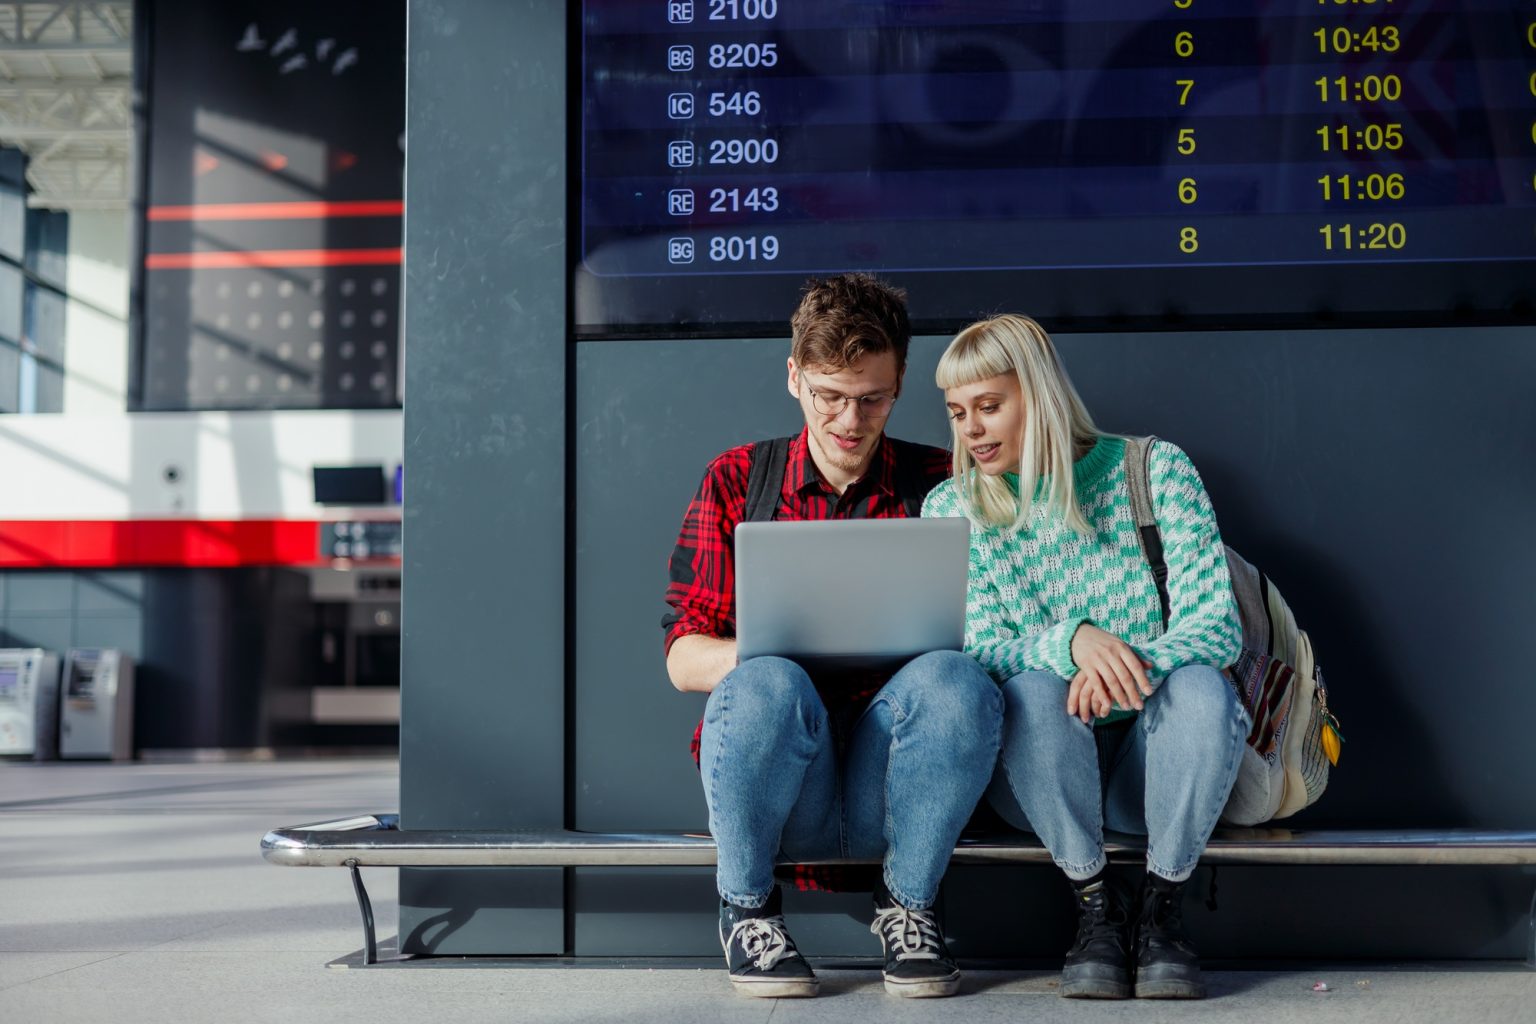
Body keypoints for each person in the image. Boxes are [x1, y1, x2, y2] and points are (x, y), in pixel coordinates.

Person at [662, 273, 1002, 999]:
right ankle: (747, 907)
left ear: (901, 381)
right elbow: (683, 656)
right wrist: (773, 654)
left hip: (901, 778)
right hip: (787, 782)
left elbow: (1002, 627)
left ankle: (909, 904)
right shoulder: (737, 480)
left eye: (873, 397)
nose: (851, 419)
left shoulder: (944, 483)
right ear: (794, 377)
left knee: (957, 679)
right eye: (830, 396)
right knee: (765, 681)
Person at [921, 313, 1246, 1000]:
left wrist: (1121, 665)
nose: (971, 430)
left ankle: (1162, 912)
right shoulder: (952, 506)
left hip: (1154, 768)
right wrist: (1069, 641)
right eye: (957, 413)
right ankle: (1095, 909)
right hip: (1039, 777)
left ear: (1037, 395)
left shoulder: (1153, 470)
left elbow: (1217, 627)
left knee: (1201, 686)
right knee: (1034, 690)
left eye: (988, 406)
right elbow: (972, 649)